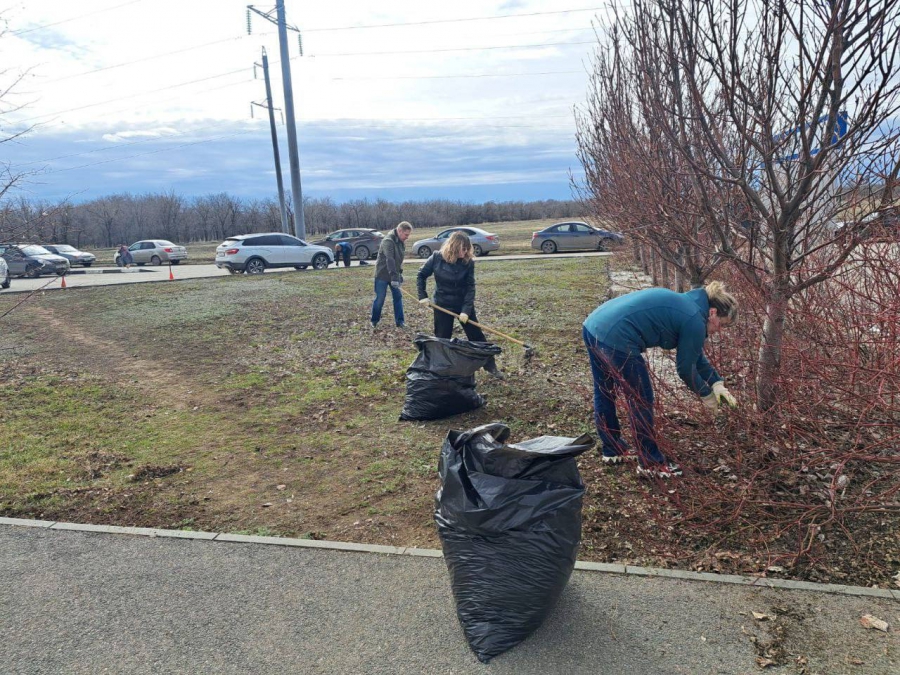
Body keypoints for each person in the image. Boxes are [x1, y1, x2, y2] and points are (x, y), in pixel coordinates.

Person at [582, 281, 739, 478]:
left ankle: (613, 448)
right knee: (641, 399)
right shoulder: (694, 319)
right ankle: (650, 463)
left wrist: (717, 384)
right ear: (713, 312)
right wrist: (706, 395)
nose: (719, 330)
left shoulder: (690, 306)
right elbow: (684, 368)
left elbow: (695, 356)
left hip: (594, 326)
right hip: (616, 337)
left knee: (604, 390)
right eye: (722, 325)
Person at [416, 231, 504, 378]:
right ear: (454, 247)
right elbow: (421, 275)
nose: (465, 252)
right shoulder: (437, 257)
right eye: (463, 249)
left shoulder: (468, 262)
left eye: (467, 248)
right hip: (442, 305)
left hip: (462, 304)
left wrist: (466, 310)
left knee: (476, 335)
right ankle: (441, 370)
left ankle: (490, 366)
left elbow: (470, 287)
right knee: (442, 338)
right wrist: (423, 296)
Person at [371, 221, 412, 329]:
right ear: (399, 231)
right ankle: (374, 321)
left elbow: (398, 260)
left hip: (394, 274)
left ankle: (400, 321)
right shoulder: (388, 241)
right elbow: (390, 259)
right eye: (406, 234)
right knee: (380, 298)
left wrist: (399, 274)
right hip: (382, 275)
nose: (407, 237)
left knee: (398, 297)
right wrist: (394, 277)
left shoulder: (401, 241)